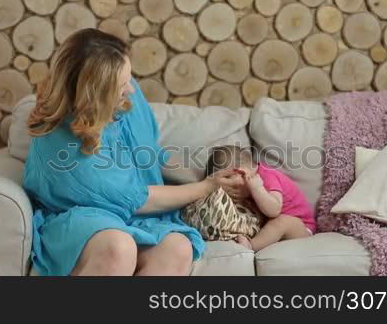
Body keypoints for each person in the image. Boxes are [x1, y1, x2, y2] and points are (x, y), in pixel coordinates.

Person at [23, 29, 233, 276]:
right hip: (80, 219)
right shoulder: (61, 143)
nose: (131, 90)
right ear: (94, 95)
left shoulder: (126, 100)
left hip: (129, 217)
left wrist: (212, 175)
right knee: (119, 247)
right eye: (122, 86)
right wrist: (206, 187)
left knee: (178, 248)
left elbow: (150, 155)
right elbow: (139, 199)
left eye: (129, 79)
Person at [205, 145, 316, 252]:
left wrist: (257, 188)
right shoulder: (246, 185)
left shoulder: (266, 177)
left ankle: (251, 245)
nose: (231, 194)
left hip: (301, 227)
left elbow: (274, 210)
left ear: (242, 173)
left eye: (231, 188)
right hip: (272, 230)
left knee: (282, 222)